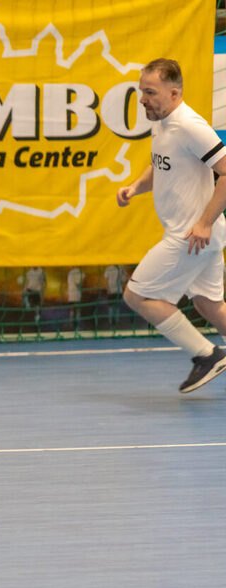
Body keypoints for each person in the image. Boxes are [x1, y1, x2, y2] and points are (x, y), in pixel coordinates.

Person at [115, 57, 226, 393]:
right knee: (208, 304)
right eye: (142, 91)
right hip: (201, 237)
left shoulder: (190, 126)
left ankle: (207, 354)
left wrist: (204, 222)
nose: (143, 99)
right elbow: (161, 165)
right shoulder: (162, 123)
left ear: (174, 93)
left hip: (191, 236)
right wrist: (135, 187)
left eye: (151, 92)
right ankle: (210, 354)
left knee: (137, 295)